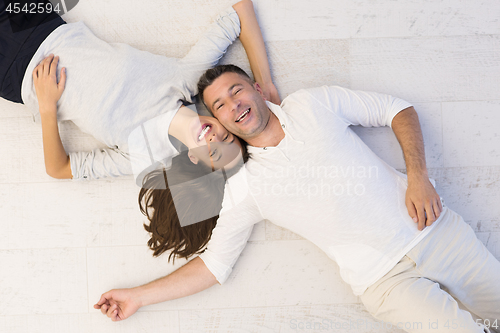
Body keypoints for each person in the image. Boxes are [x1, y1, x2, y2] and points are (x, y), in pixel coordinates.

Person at [95, 64, 500, 333]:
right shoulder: (245, 186)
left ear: (256, 88)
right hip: (384, 282)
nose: (234, 105)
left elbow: (396, 109)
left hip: (434, 232)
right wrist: (137, 296)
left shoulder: (311, 103)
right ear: (217, 121)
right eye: (220, 105)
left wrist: (419, 177)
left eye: (236, 91)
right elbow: (213, 266)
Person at [0, 0, 279, 183]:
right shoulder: (186, 79)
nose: (216, 139)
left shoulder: (144, 154)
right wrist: (265, 85)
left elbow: (59, 169)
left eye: (215, 153)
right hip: (39, 25)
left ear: (195, 160)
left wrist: (48, 108)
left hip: (16, 77)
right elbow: (240, 12)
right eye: (228, 137)